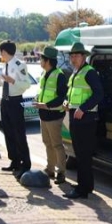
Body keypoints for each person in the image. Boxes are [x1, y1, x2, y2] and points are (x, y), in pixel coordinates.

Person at [62, 42, 103, 199]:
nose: (73, 59)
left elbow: (98, 94)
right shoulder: (76, 72)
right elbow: (72, 93)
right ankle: (86, 185)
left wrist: (83, 108)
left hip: (85, 118)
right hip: (76, 116)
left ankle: (82, 189)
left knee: (83, 154)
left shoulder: (89, 72)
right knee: (79, 153)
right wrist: (67, 102)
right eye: (71, 56)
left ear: (83, 56)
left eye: (76, 56)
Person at [0, 40, 32, 180]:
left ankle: (25, 163)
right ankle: (14, 160)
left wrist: (13, 81)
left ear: (4, 51)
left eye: (1, 51)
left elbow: (26, 84)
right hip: (6, 101)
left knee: (19, 133)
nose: (0, 54)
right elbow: (6, 84)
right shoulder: (6, 65)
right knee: (8, 132)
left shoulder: (19, 65)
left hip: (15, 102)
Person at [33, 46, 68, 185]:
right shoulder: (44, 74)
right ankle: (50, 169)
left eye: (42, 58)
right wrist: (37, 100)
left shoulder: (59, 75)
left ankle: (61, 173)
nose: (40, 61)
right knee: (48, 143)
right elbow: (43, 92)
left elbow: (61, 97)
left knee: (57, 145)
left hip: (54, 116)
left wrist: (45, 105)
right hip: (44, 115)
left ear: (47, 61)